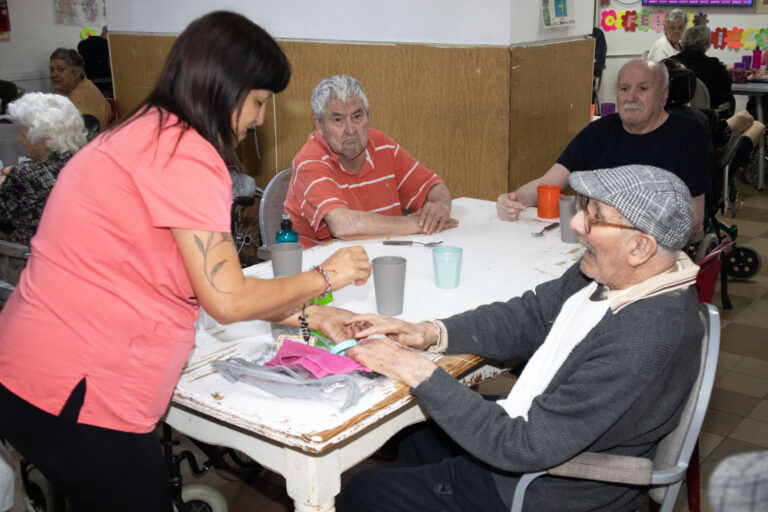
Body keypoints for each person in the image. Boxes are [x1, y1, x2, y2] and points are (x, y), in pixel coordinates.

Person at [0, 11, 370, 512]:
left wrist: (307, 315)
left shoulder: (146, 132)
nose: (261, 119)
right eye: (259, 101)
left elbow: (193, 280)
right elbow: (227, 298)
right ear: (225, 87)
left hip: (30, 369)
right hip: (77, 388)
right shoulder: (186, 154)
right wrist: (327, 276)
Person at [342, 165, 702, 511]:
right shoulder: (618, 274)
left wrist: (418, 371)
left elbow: (522, 446)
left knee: (365, 492)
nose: (576, 223)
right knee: (416, 437)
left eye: (595, 216)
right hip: (534, 435)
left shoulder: (643, 338)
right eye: (584, 207)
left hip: (540, 490)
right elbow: (532, 315)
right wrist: (430, 331)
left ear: (640, 247)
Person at [496, 58, 709, 233]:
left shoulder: (687, 133)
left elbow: (694, 217)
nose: (631, 97)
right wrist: (515, 200)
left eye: (643, 88)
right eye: (624, 89)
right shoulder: (598, 131)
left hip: (653, 246)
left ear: (663, 95)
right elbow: (549, 182)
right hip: (595, 241)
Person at [284, 75, 457, 247]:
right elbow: (343, 226)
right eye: (338, 120)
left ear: (367, 116)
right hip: (320, 261)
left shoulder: (382, 145)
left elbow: (434, 186)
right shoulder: (309, 160)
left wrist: (440, 207)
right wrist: (417, 224)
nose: (350, 129)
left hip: (381, 255)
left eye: (357, 117)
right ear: (319, 125)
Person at [0, 92, 88, 245]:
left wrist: (4, 182)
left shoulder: (25, 176)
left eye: (22, 134)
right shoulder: (86, 162)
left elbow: (4, 216)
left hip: (32, 253)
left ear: (42, 138)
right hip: (83, 248)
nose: (19, 139)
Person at [49, 47, 112, 131]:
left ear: (77, 72)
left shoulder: (81, 96)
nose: (54, 74)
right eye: (52, 70)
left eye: (61, 70)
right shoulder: (78, 85)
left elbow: (80, 135)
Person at [675, 25, 732, 110]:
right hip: (708, 114)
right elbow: (727, 87)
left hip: (675, 113)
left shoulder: (671, 63)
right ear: (707, 44)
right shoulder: (715, 66)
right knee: (730, 99)